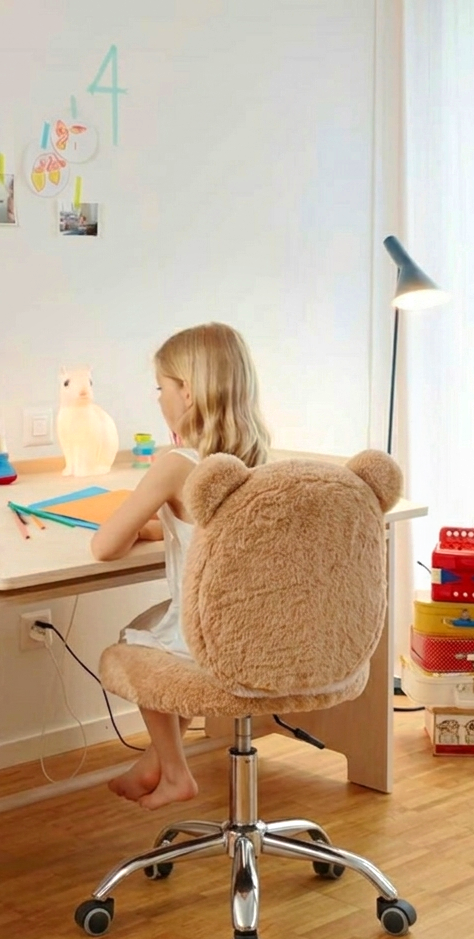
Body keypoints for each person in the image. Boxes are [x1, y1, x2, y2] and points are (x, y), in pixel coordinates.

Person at [91, 323, 271, 810]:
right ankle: (154, 761)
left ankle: (174, 773)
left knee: (140, 639)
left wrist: (133, 524)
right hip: (263, 633)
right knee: (164, 630)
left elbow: (105, 547)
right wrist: (162, 526)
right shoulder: (259, 461)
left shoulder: (177, 464)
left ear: (186, 392)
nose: (159, 399)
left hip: (208, 637)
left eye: (161, 387)